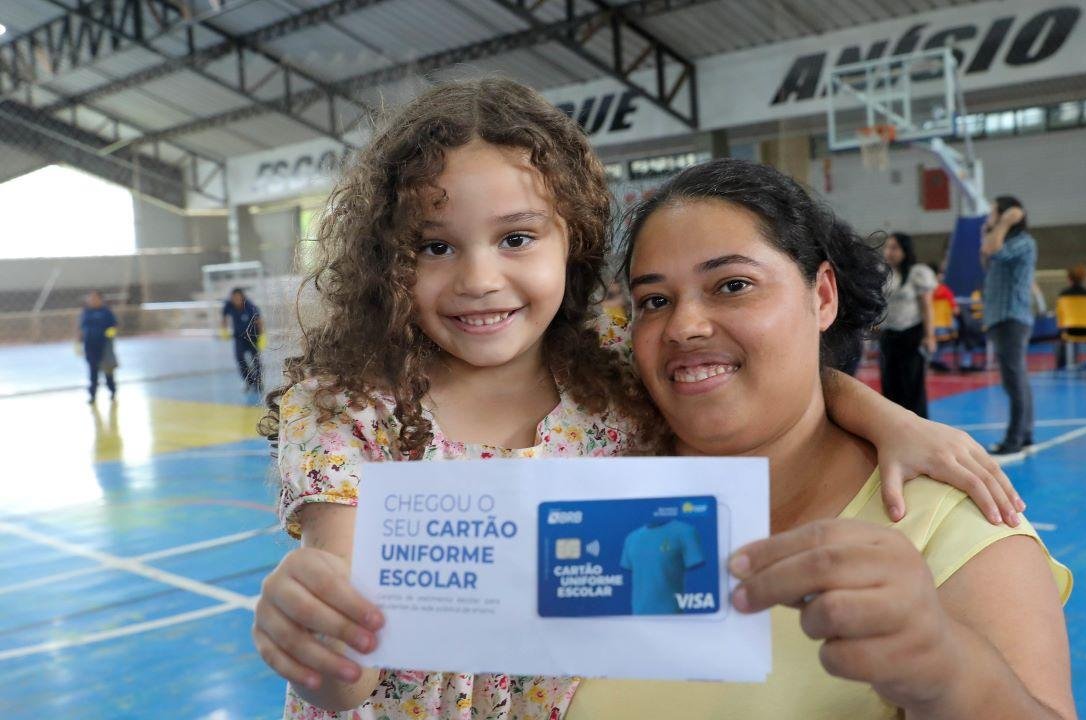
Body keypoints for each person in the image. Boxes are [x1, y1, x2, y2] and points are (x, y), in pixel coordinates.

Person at [251, 80, 1022, 720]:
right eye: (434, 245)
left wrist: (891, 419)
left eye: (516, 238)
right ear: (388, 259)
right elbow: (345, 661)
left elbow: (750, 363)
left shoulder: (610, 371)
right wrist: (311, 640)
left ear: (574, 241)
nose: (479, 278)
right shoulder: (347, 408)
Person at [566, 159, 1074, 719]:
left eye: (733, 285)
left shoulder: (953, 520)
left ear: (823, 295)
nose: (684, 326)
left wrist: (950, 672)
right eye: (654, 301)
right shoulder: (588, 487)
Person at [980, 196, 1036, 456]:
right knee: (1017, 381)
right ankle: (1024, 434)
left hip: (1011, 319)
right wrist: (991, 230)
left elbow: (994, 251)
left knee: (1014, 382)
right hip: (1000, 319)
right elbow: (985, 257)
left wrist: (1001, 223)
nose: (989, 216)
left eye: (993, 212)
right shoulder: (1005, 239)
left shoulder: (1023, 242)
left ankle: (1014, 439)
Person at [878, 232, 936, 417]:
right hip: (889, 336)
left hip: (911, 335)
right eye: (887, 247)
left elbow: (927, 306)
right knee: (889, 385)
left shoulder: (918, 272)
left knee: (912, 385)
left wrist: (930, 335)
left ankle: (920, 428)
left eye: (894, 248)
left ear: (905, 250)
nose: (889, 252)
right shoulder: (883, 273)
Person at [222, 287, 264, 393]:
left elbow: (259, 321)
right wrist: (224, 330)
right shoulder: (228, 305)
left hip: (253, 337)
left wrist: (262, 336)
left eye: (238, 298)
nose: (236, 300)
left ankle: (258, 382)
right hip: (239, 338)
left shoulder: (250, 306)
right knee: (239, 359)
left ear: (242, 297)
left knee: (256, 360)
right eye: (233, 298)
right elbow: (224, 318)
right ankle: (249, 381)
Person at [79, 290, 118, 404]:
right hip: (90, 347)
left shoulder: (106, 312)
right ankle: (92, 395)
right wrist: (80, 340)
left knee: (108, 372)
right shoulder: (86, 312)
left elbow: (113, 327)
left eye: (95, 298)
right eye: (90, 298)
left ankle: (112, 392)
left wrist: (108, 337)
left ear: (101, 299)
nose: (92, 300)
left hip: (104, 347)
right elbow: (82, 328)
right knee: (93, 372)